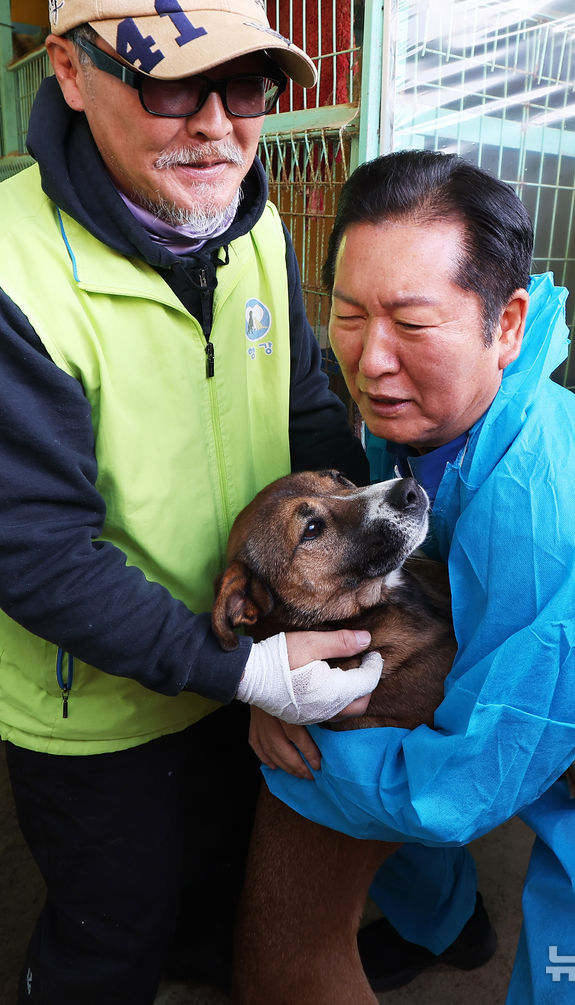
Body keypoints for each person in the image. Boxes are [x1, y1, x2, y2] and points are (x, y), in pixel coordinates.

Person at [251, 150, 575, 1004]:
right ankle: (446, 925)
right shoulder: (431, 411)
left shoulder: (556, 525)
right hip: (559, 656)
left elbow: (468, 783)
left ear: (506, 324)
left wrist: (303, 752)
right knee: (402, 731)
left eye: (412, 322)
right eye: (348, 315)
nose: (372, 360)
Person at [0, 2, 385, 1002]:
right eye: (171, 83)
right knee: (111, 933)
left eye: (247, 84)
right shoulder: (14, 271)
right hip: (99, 706)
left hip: (239, 665)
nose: (216, 126)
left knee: (221, 896)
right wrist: (245, 666)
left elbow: (304, 407)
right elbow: (34, 550)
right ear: (70, 71)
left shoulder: (251, 224)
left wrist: (354, 555)